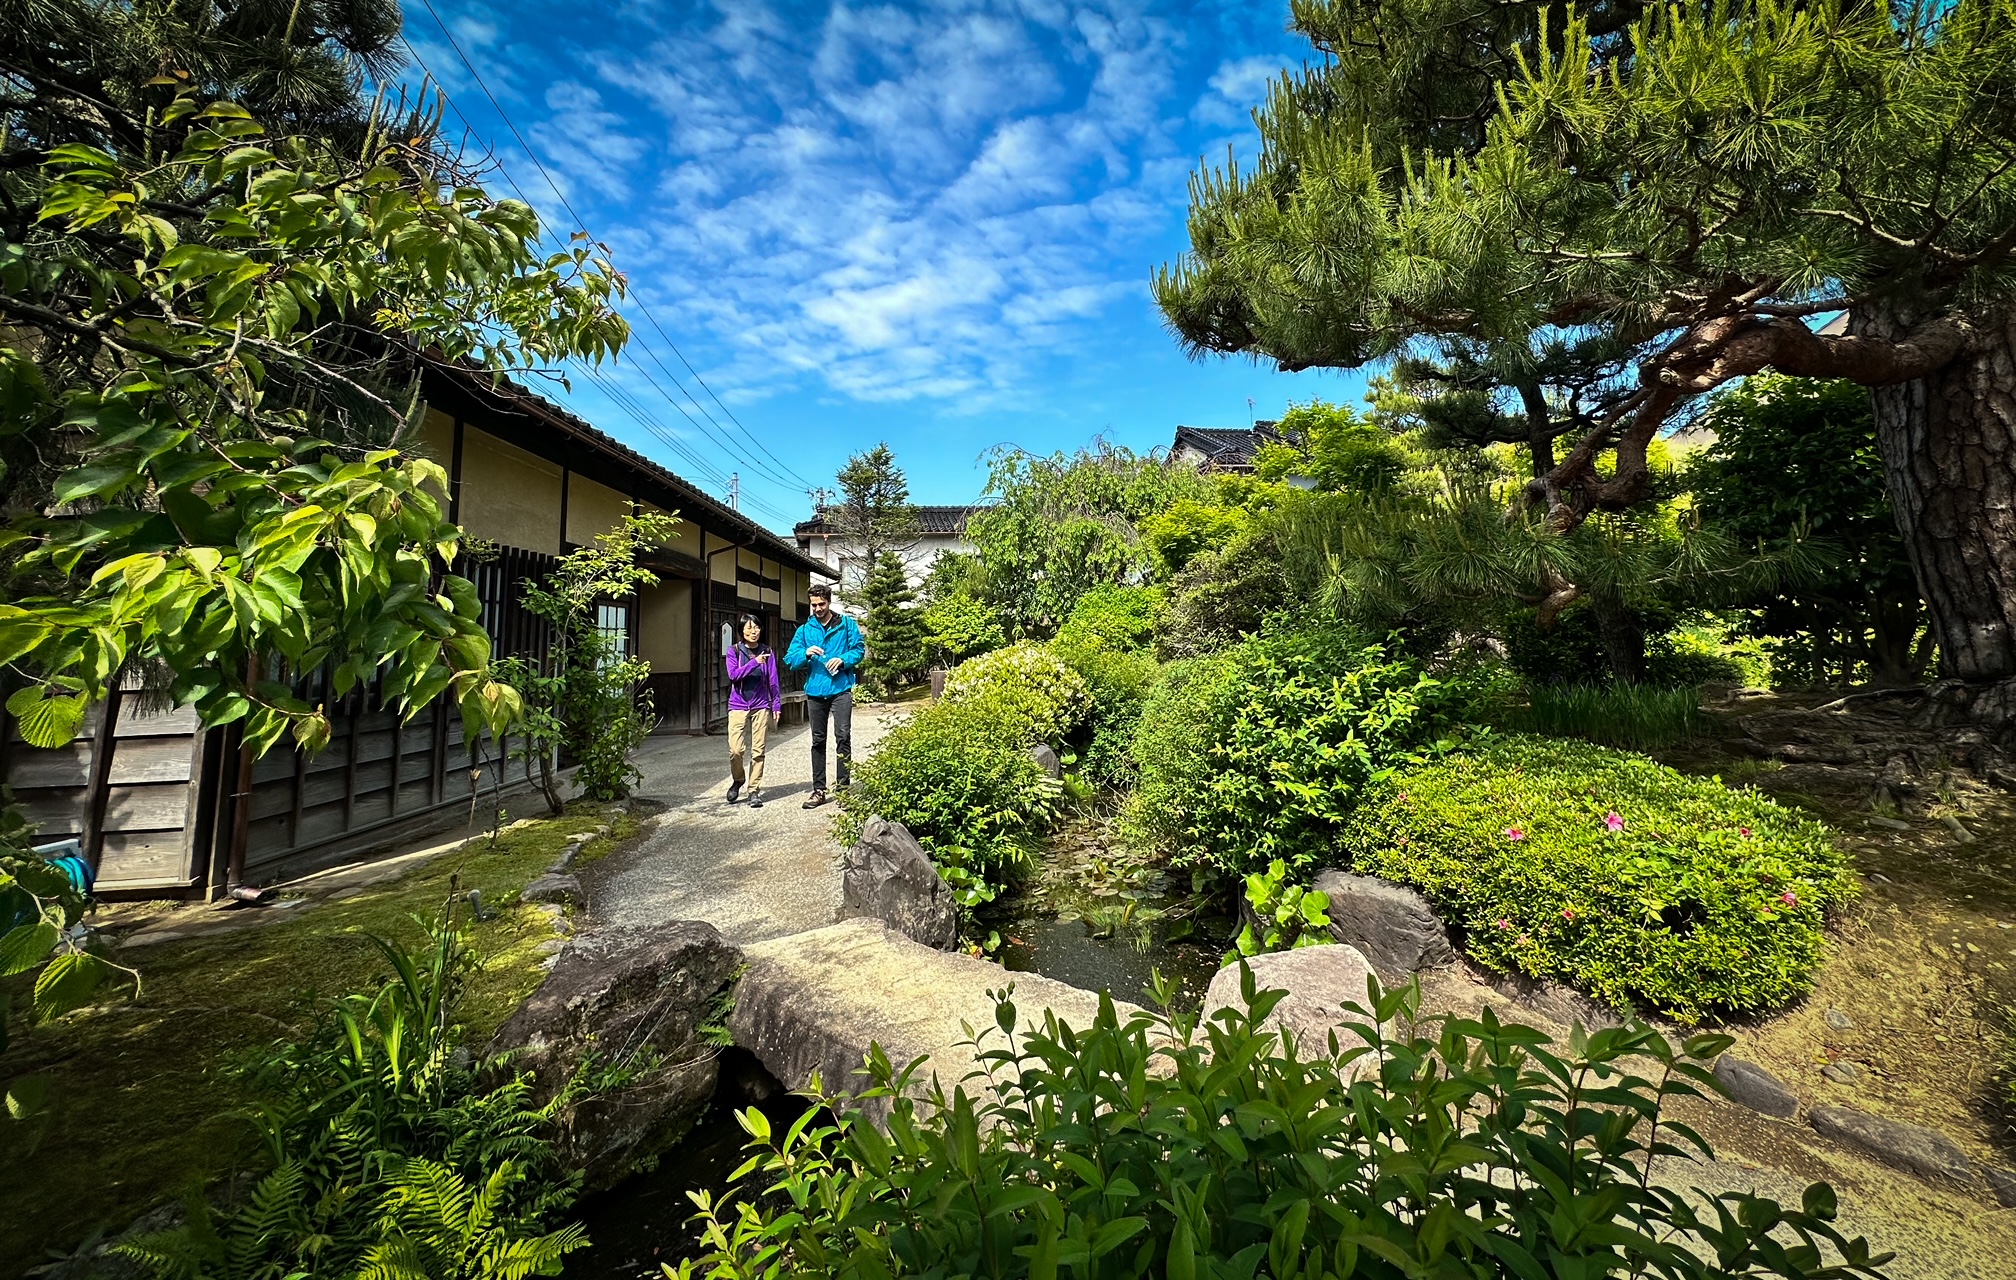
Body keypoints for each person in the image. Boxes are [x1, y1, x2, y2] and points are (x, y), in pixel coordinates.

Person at [784, 581, 863, 809]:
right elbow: (790, 659)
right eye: (814, 605)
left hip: (841, 688)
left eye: (822, 604)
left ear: (829, 601)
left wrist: (843, 660)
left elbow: (859, 650)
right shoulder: (804, 630)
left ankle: (844, 790)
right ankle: (819, 790)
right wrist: (806, 653)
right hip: (816, 690)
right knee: (818, 740)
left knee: (843, 736)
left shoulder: (846, 625)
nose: (818, 609)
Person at [724, 613, 781, 808]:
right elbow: (733, 675)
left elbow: (773, 679)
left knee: (758, 750)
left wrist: (776, 704)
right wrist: (754, 662)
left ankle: (753, 790)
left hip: (761, 705)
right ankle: (738, 779)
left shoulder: (767, 651)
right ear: (741, 631)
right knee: (736, 750)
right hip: (738, 705)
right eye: (749, 628)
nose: (753, 631)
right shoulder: (734, 651)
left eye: (756, 627)